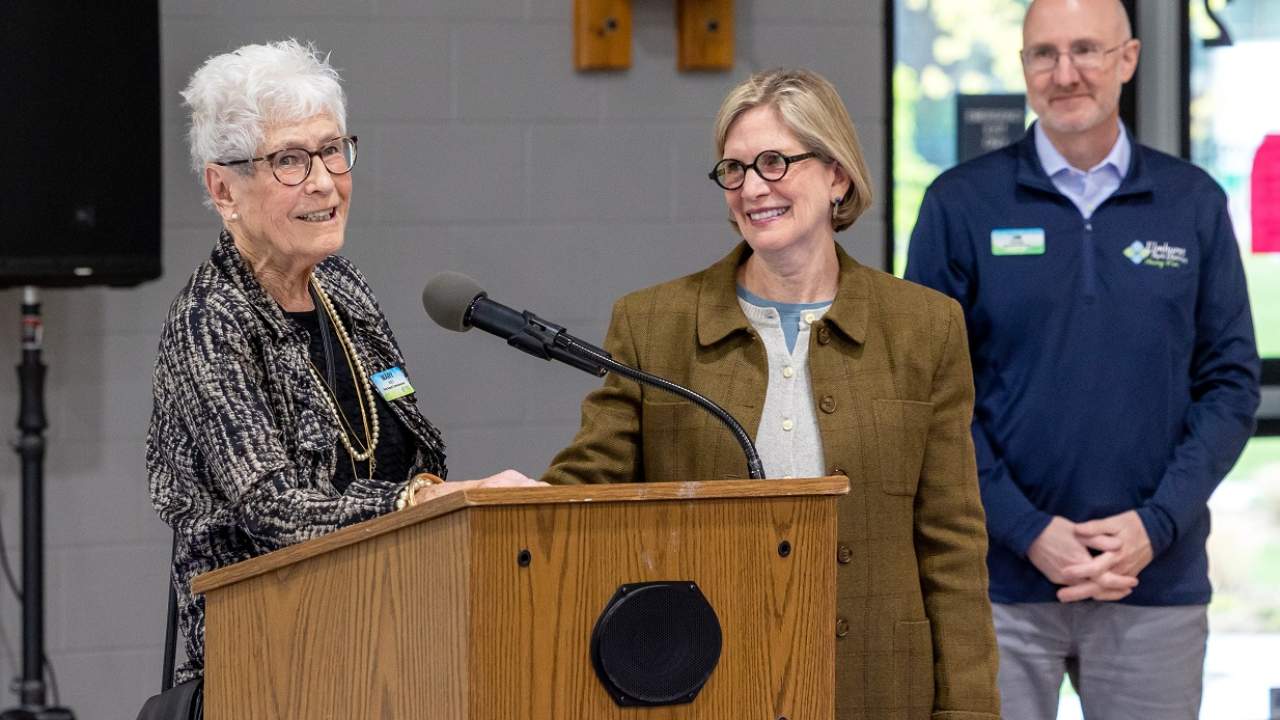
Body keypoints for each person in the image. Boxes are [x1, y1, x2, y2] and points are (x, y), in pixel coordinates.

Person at [544, 68, 1000, 719]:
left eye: (774, 162)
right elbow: (589, 482)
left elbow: (952, 546)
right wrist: (514, 503)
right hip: (702, 688)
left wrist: (971, 709)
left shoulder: (924, 327)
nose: (752, 187)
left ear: (837, 173)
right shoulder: (654, 323)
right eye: (733, 169)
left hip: (878, 691)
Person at [904, 1, 1261, 717]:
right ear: (1025, 66)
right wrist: (1025, 529)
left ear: (1127, 59)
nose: (1065, 73)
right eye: (1045, 53)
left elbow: (1230, 385)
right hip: (996, 586)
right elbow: (928, 394)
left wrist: (1155, 525)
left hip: (1152, 587)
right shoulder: (960, 205)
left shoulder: (1190, 202)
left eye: (1087, 51)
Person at [147, 40, 535, 683]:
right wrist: (422, 500)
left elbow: (408, 451)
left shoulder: (343, 288)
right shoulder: (209, 322)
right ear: (224, 189)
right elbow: (276, 509)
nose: (325, 181)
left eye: (332, 150)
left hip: (392, 636)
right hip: (271, 660)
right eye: (290, 161)